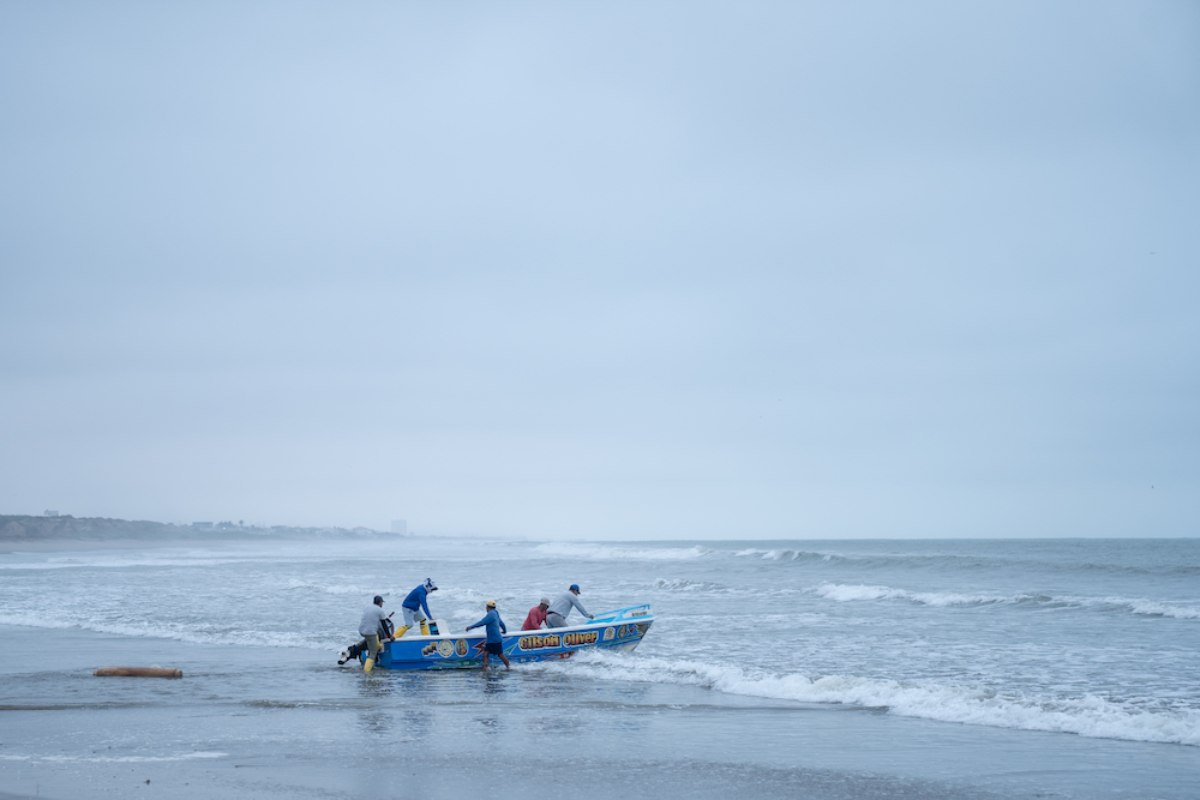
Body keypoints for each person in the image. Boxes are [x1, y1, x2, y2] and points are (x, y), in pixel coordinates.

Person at [465, 599, 510, 670]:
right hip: (493, 639)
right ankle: (486, 668)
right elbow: (501, 623)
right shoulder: (496, 613)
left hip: (493, 639)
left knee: (499, 654)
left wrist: (471, 627)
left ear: (487, 607)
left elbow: (482, 622)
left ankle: (508, 667)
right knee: (486, 654)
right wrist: (504, 631)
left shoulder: (491, 614)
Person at [357, 595, 391, 673]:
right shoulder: (380, 610)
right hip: (370, 632)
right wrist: (389, 636)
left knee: (373, 641)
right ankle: (366, 672)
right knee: (373, 652)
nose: (382, 604)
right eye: (382, 602)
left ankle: (379, 646)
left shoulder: (368, 607)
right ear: (380, 602)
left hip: (362, 630)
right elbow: (384, 625)